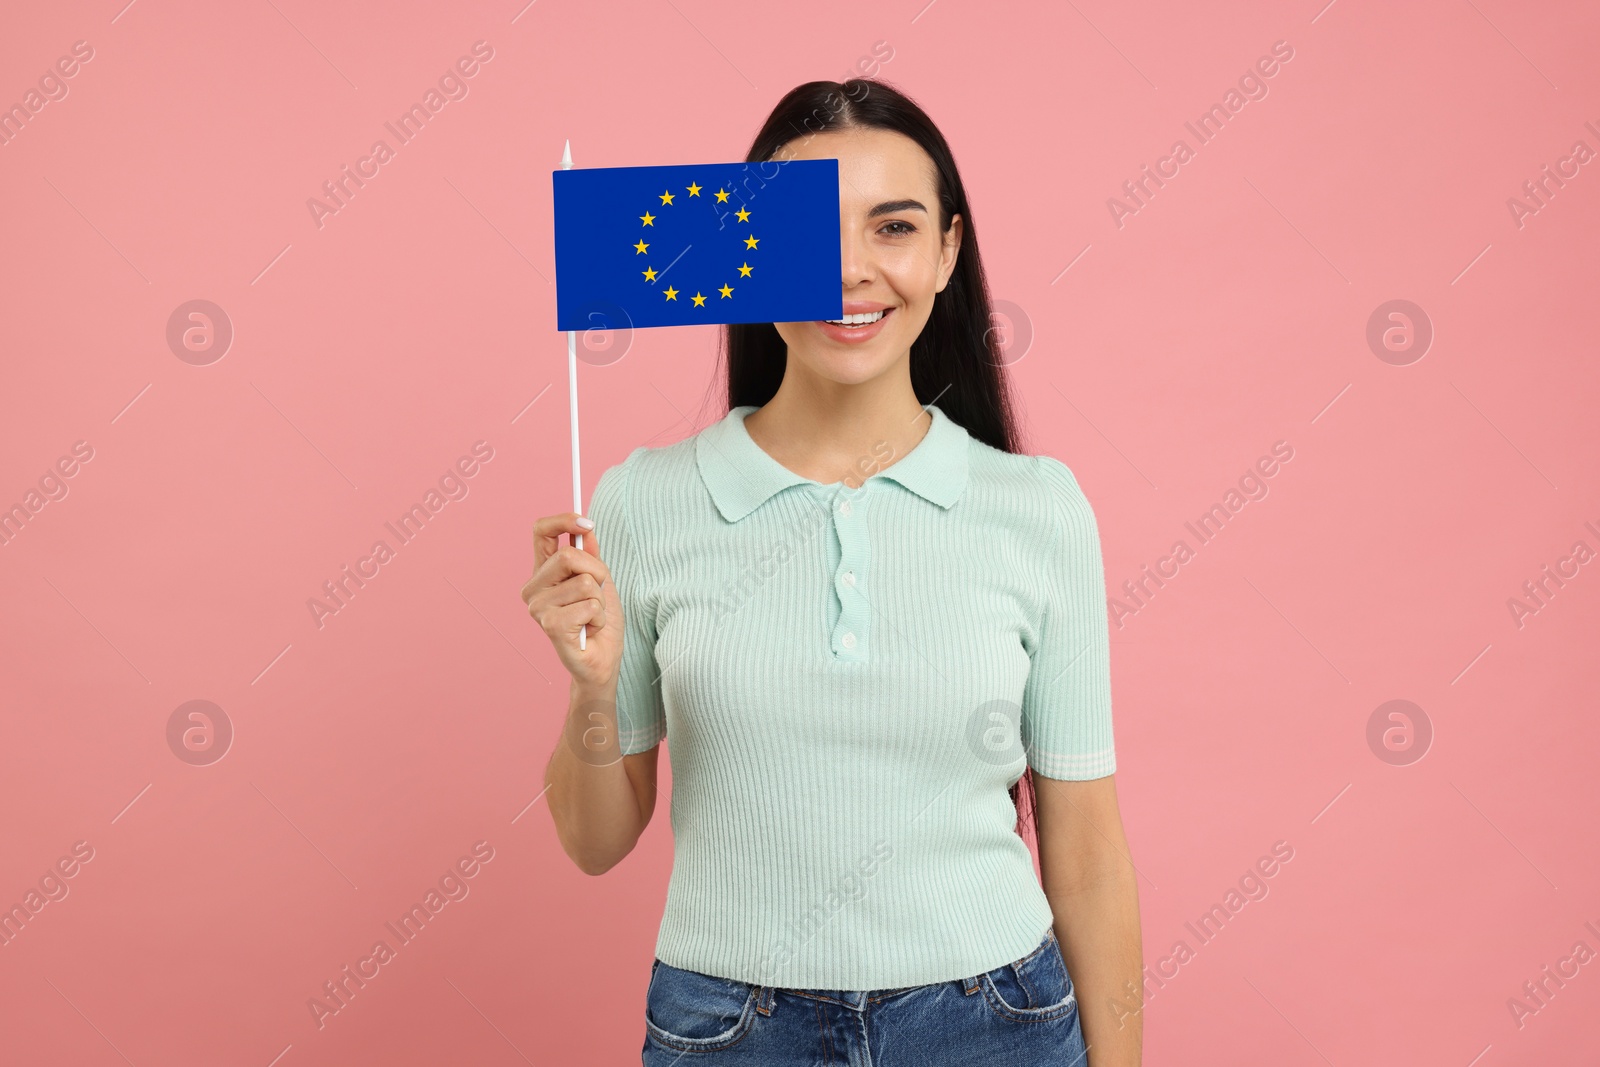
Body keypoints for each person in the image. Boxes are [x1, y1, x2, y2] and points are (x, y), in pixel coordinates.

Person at [524, 77, 1142, 1066]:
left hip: (995, 1025)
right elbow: (595, 841)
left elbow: (1087, 849)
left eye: (892, 227)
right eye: (806, 233)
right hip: (729, 1030)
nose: (849, 272)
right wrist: (590, 689)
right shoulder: (642, 502)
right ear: (743, 252)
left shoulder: (1037, 509)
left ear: (946, 249)